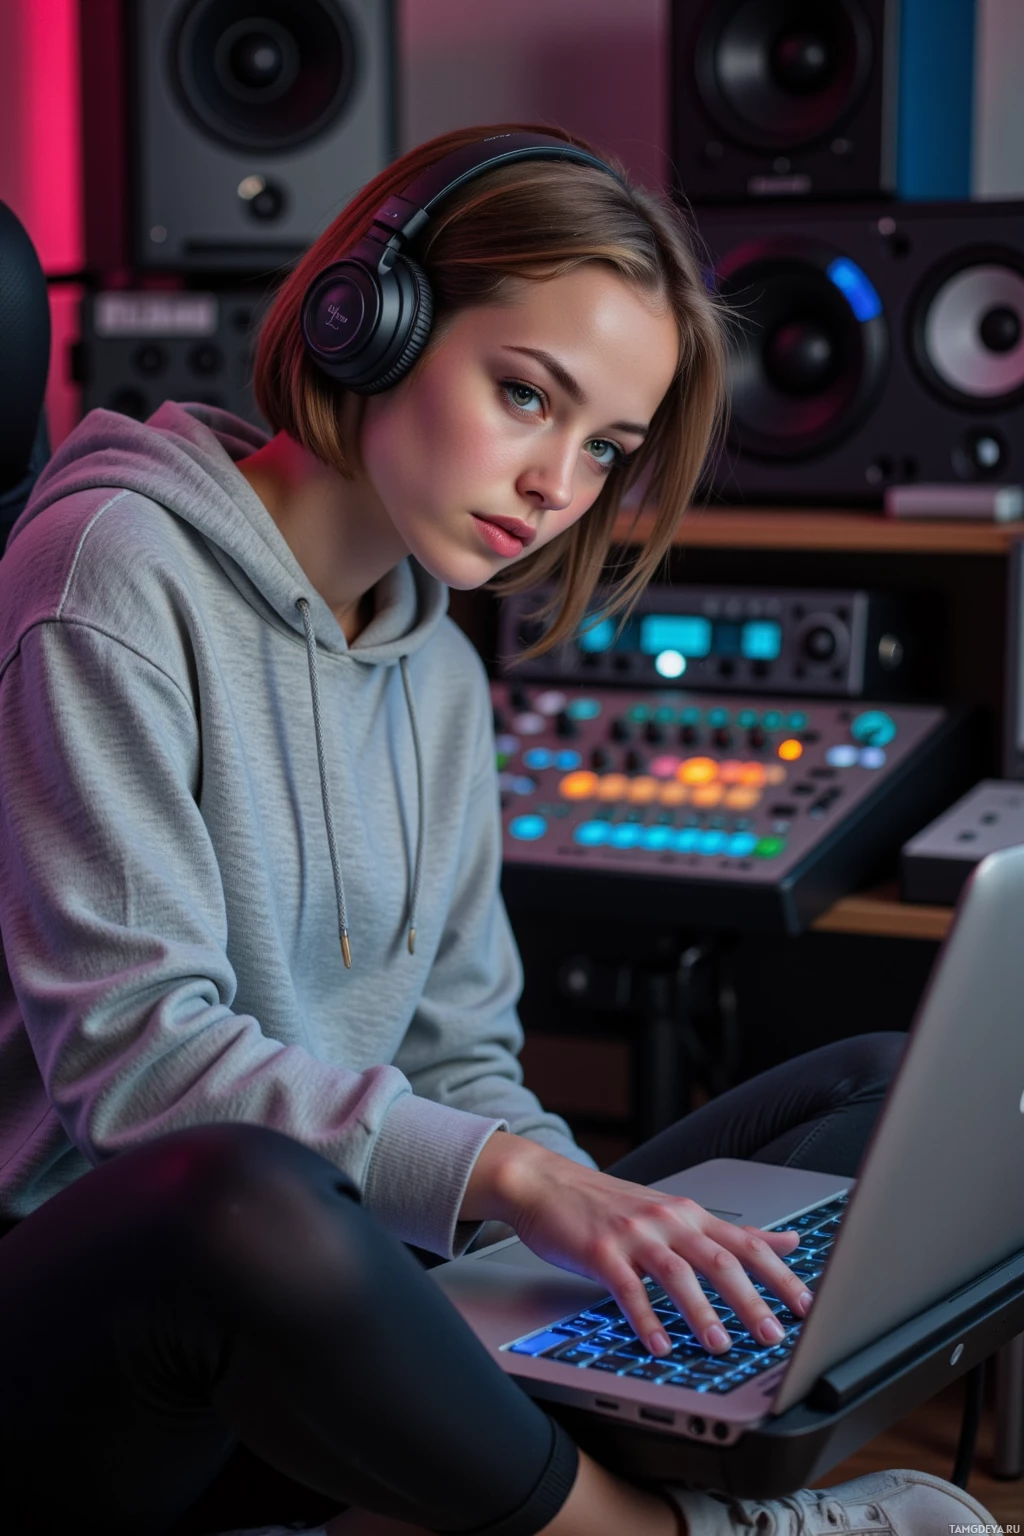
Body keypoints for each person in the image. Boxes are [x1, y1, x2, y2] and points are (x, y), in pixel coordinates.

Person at [0, 123, 997, 1536]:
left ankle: (480, 1471)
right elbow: (135, 1068)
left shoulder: (445, 671)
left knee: (880, 1091)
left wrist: (588, 1229)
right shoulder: (108, 572)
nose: (559, 487)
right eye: (526, 394)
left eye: (604, 447)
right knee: (234, 1198)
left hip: (358, 1295)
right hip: (133, 1315)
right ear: (368, 321)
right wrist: (517, 1184)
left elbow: (460, 1052)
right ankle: (658, 1532)